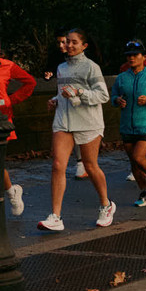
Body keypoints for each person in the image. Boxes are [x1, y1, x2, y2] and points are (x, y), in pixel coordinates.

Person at [40, 28, 113, 231]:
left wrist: (80, 92)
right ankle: (55, 216)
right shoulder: (61, 67)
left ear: (84, 46)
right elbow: (64, 93)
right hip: (63, 121)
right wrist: (55, 100)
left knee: (90, 166)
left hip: (89, 122)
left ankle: (106, 205)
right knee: (57, 165)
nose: (69, 45)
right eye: (66, 42)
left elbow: (103, 96)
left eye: (73, 42)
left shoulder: (91, 68)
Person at [111, 40, 146, 207]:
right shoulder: (122, 77)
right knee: (133, 163)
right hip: (127, 126)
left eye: (135, 55)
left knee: (138, 157)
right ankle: (144, 192)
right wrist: (117, 100)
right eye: (128, 55)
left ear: (144, 57)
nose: (131, 58)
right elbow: (113, 95)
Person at [0, 34, 37, 216]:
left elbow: (30, 82)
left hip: (1, 118)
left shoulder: (7, 65)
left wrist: (10, 100)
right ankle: (10, 191)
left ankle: (9, 194)